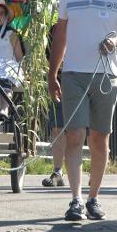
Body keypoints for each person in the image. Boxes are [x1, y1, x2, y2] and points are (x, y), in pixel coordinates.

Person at [48, 0, 117, 221]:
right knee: (74, 136)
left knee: (100, 138)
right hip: (74, 74)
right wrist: (53, 74)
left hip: (106, 75)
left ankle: (93, 199)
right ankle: (75, 199)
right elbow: (59, 38)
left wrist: (116, 42)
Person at [43, 24, 66, 187]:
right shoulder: (55, 29)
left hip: (83, 80)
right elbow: (48, 56)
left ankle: (94, 171)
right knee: (57, 128)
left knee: (85, 129)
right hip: (59, 80)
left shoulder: (86, 25)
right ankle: (58, 170)